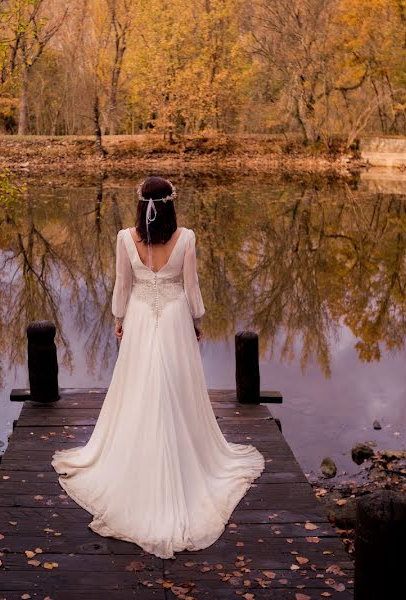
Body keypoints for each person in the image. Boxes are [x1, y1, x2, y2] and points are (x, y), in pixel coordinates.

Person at [50, 176, 266, 560]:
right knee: (177, 387)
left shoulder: (123, 237)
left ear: (140, 204)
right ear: (170, 204)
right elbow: (191, 286)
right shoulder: (186, 237)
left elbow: (123, 283)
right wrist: (196, 321)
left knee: (139, 386)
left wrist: (119, 319)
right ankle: (186, 458)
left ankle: (134, 454)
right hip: (173, 320)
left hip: (138, 318)